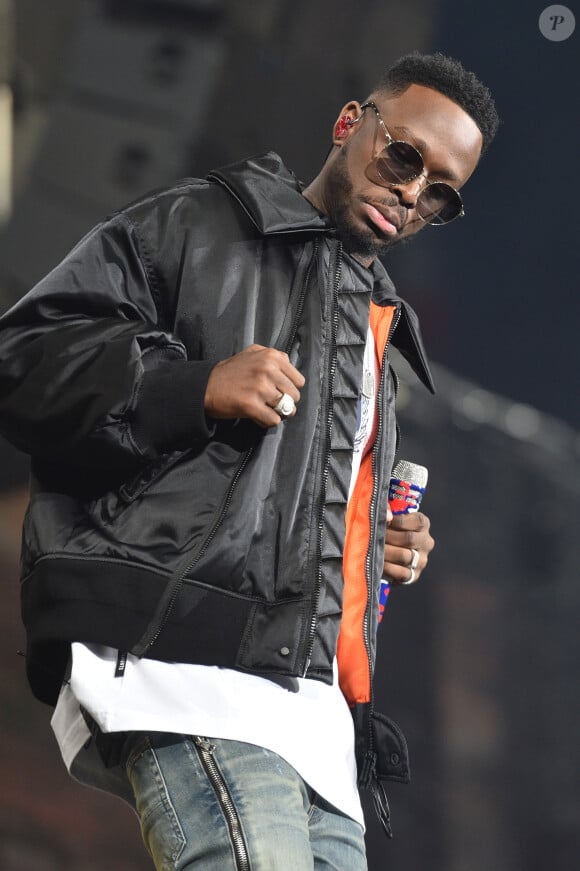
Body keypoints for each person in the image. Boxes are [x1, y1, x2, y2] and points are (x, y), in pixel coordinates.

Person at [0, 52, 498, 870]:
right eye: (404, 156)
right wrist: (189, 386)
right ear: (350, 124)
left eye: (439, 192)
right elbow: (24, 356)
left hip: (320, 725)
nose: (412, 192)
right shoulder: (202, 221)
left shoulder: (376, 326)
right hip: (191, 674)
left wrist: (372, 539)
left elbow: (286, 504)